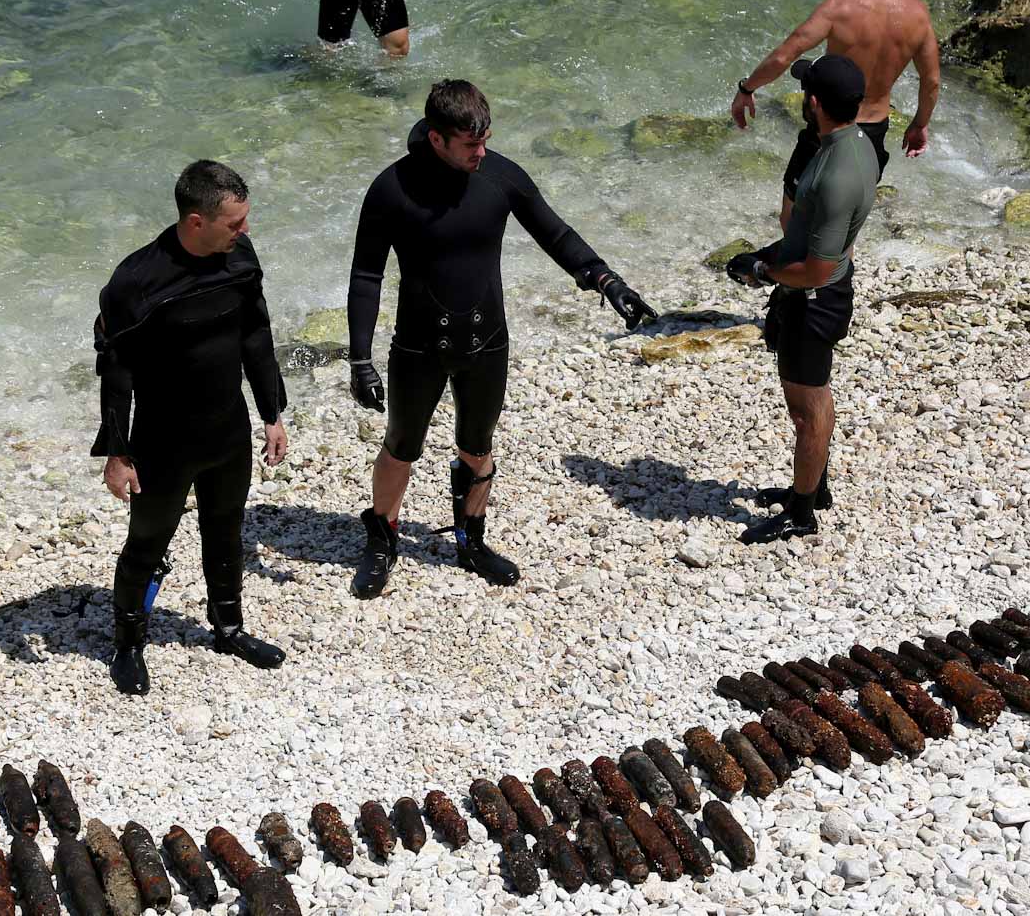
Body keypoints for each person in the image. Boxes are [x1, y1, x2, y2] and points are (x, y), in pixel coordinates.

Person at [345, 80, 657, 598]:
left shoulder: (500, 177)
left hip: (487, 343)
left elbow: (554, 233)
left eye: (485, 140)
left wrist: (606, 280)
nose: (482, 153)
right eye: (471, 145)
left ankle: (470, 539)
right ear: (439, 139)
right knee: (401, 447)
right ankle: (382, 538)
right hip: (418, 346)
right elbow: (365, 276)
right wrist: (360, 358)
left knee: (477, 447)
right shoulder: (391, 189)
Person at [92, 161, 289, 694]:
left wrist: (272, 413)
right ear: (196, 221)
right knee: (147, 542)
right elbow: (116, 371)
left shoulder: (239, 258)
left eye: (245, 221)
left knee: (225, 534)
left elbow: (256, 335)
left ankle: (228, 628)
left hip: (227, 432)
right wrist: (117, 451)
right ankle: (128, 643)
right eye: (235, 223)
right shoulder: (136, 280)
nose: (245, 231)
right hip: (163, 442)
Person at [724, 56, 879, 544]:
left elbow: (816, 267)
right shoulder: (857, 144)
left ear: (813, 103)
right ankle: (815, 487)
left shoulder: (836, 174)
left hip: (814, 300)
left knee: (807, 408)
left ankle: (802, 512)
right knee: (813, 399)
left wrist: (762, 271)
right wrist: (776, 255)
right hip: (820, 291)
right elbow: (824, 241)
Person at [729, 0, 941, 189]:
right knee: (846, 214)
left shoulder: (838, 8)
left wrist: (746, 90)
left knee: (794, 213)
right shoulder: (918, 15)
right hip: (873, 133)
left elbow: (786, 55)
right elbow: (931, 81)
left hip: (828, 130)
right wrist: (920, 124)